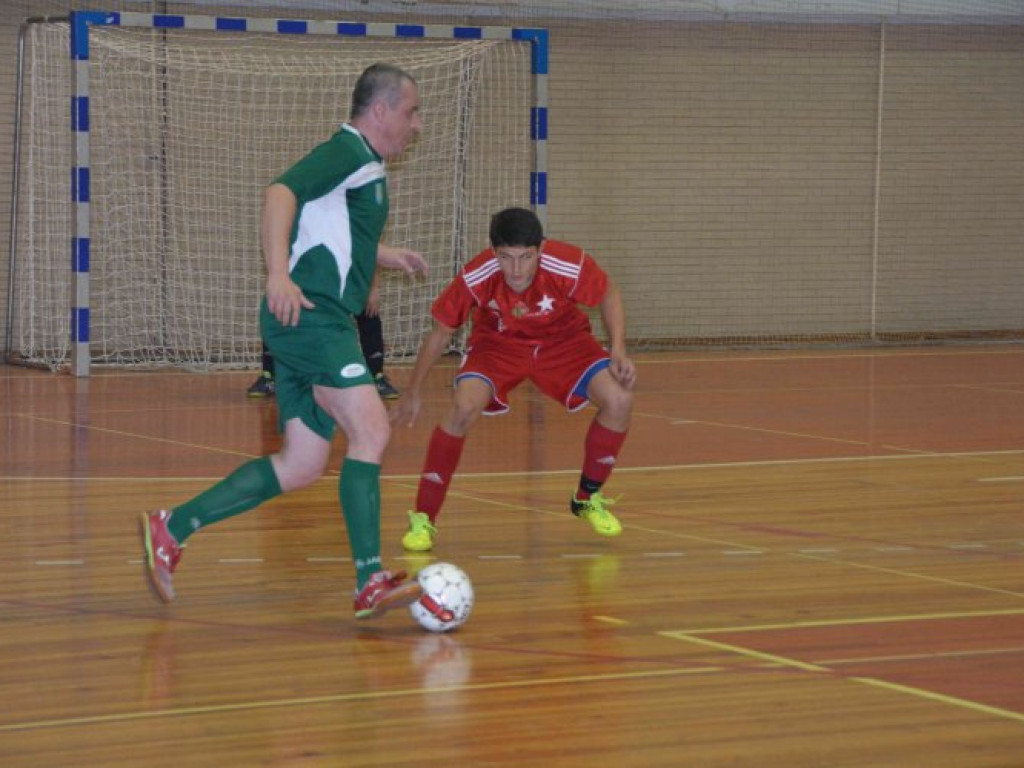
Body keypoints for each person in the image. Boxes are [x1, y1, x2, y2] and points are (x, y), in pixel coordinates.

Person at [140, 63, 428, 619]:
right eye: (412, 112)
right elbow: (280, 193)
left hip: (311, 322)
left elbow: (326, 226)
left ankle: (172, 527)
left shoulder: (364, 164)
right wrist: (277, 273)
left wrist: (381, 254)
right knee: (371, 428)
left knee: (301, 465)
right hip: (314, 319)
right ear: (382, 109)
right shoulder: (349, 151)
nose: (416, 125)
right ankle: (369, 580)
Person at [391, 207, 636, 552]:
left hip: (564, 343)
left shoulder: (567, 263)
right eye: (506, 258)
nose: (516, 270)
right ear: (494, 253)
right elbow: (441, 332)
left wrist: (618, 350)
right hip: (497, 347)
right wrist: (412, 391)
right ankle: (424, 518)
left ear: (541, 249)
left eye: (526, 258)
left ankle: (586, 497)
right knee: (461, 409)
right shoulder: (477, 275)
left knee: (620, 399)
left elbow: (608, 292)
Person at [247, 270, 400, 400]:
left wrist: (372, 288)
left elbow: (371, 251)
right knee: (282, 304)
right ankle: (269, 376)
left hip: (346, 277)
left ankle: (376, 376)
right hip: (311, 277)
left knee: (369, 310)